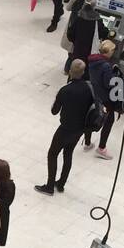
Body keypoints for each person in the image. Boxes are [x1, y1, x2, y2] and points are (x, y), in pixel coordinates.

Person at [35, 59, 96, 196]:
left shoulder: (65, 90)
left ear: (70, 72)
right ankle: (61, 183)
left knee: (52, 154)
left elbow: (54, 111)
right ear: (83, 72)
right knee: (68, 154)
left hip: (65, 128)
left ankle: (50, 186)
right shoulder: (89, 87)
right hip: (80, 129)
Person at [85, 39, 124, 160]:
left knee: (91, 117)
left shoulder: (92, 61)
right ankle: (101, 148)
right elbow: (108, 83)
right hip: (105, 97)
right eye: (113, 50)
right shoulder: (106, 65)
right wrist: (115, 76)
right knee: (108, 120)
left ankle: (87, 143)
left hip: (94, 94)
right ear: (108, 52)